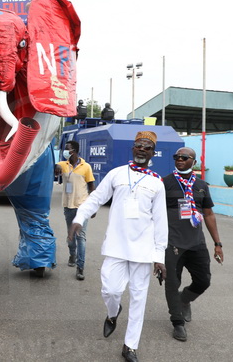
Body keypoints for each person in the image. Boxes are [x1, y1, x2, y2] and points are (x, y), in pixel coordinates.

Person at [69, 131, 167, 362]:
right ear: (132, 149)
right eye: (139, 146)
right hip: (115, 246)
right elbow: (95, 199)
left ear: (153, 153)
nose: (142, 150)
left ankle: (130, 346)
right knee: (110, 291)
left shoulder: (156, 183)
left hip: (143, 251)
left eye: (147, 147)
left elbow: (161, 221)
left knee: (138, 298)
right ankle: (113, 313)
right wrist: (78, 218)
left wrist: (159, 256)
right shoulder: (116, 174)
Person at [162, 147, 224, 342]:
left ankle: (185, 300)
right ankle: (177, 322)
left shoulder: (201, 185)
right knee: (172, 283)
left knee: (204, 281)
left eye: (184, 157)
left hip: (196, 243)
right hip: (172, 243)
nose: (179, 160)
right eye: (176, 157)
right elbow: (154, 214)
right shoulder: (164, 183)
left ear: (193, 162)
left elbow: (209, 214)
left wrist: (217, 243)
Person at [55, 140, 95, 280]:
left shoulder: (86, 167)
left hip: (82, 207)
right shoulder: (62, 165)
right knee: (70, 236)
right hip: (68, 206)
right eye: (65, 149)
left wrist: (93, 206)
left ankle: (80, 267)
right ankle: (72, 254)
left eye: (68, 149)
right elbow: (53, 170)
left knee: (81, 237)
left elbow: (91, 186)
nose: (65, 151)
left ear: (75, 151)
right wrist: (55, 169)